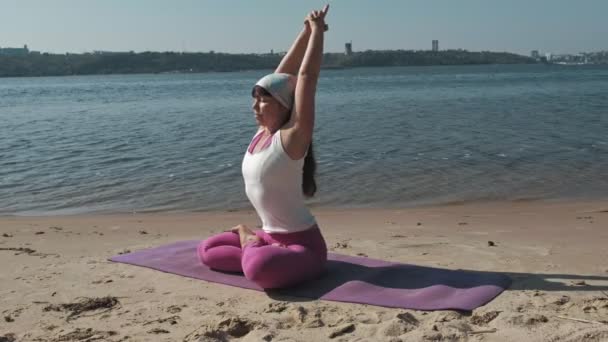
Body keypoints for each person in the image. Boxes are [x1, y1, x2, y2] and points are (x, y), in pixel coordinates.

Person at [197, 5, 330, 289]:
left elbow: (305, 77)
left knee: (259, 269)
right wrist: (304, 32)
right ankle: (254, 243)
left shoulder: (293, 136)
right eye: (254, 98)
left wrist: (317, 32)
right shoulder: (262, 133)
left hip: (303, 246)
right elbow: (280, 75)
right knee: (207, 250)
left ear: (283, 105)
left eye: (263, 100)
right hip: (270, 237)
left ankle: (250, 243)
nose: (255, 106)